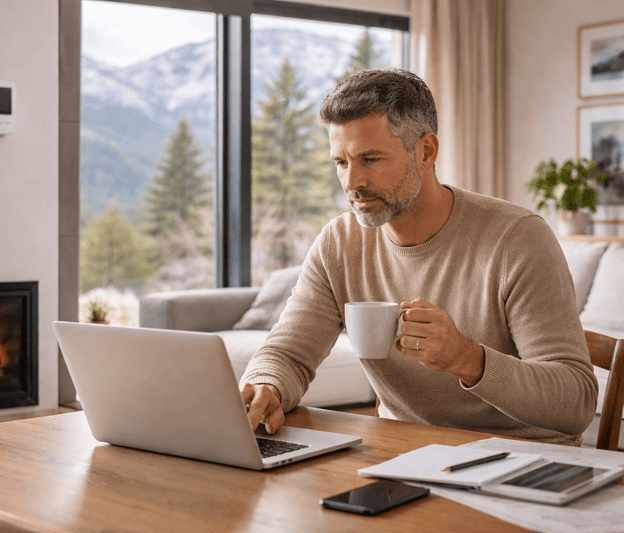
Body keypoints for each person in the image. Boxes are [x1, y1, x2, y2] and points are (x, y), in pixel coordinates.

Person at [239, 68, 597, 446]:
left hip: (522, 461)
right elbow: (288, 353)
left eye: (371, 159)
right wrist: (267, 385)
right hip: (402, 453)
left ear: (426, 151)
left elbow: (575, 404)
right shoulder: (339, 243)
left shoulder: (517, 238)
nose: (352, 183)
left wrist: (468, 358)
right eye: (341, 163)